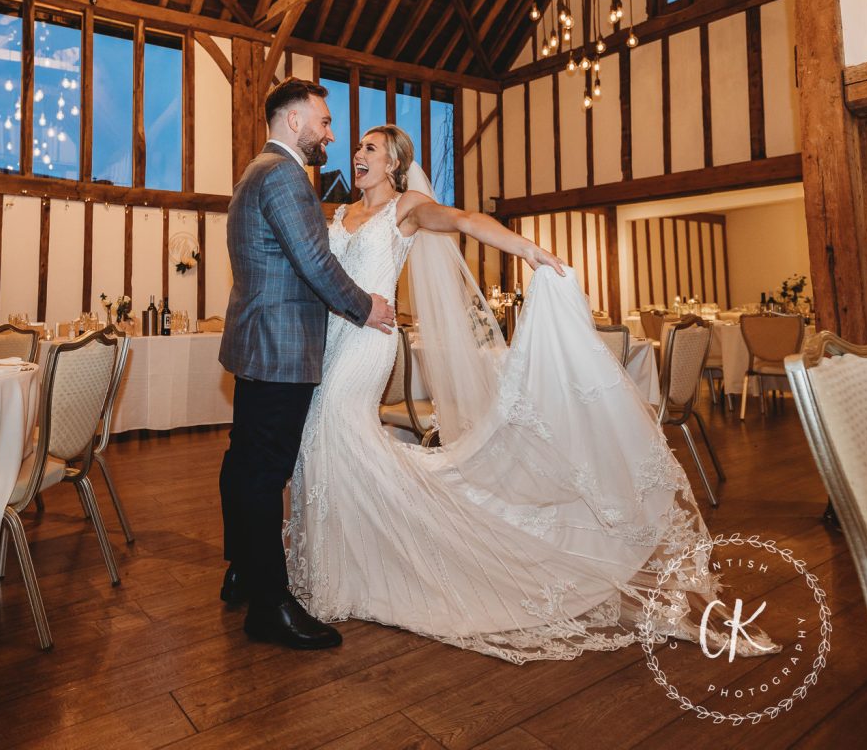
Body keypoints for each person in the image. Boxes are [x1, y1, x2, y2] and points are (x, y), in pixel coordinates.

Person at [278, 124, 771, 662]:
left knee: (334, 425)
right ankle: (344, 563)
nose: (357, 154)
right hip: (331, 340)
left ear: (394, 163)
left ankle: (366, 564)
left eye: (370, 149)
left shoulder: (408, 208)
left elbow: (465, 220)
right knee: (320, 438)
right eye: (358, 148)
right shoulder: (339, 214)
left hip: (368, 344)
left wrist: (526, 249)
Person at [218, 79, 395, 651]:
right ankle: (269, 606)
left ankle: (244, 570)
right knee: (265, 474)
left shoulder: (254, 172)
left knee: (244, 464)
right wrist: (366, 308)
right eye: (323, 121)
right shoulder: (284, 176)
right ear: (294, 122)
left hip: (258, 344)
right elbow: (315, 263)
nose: (330, 134)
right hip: (280, 348)